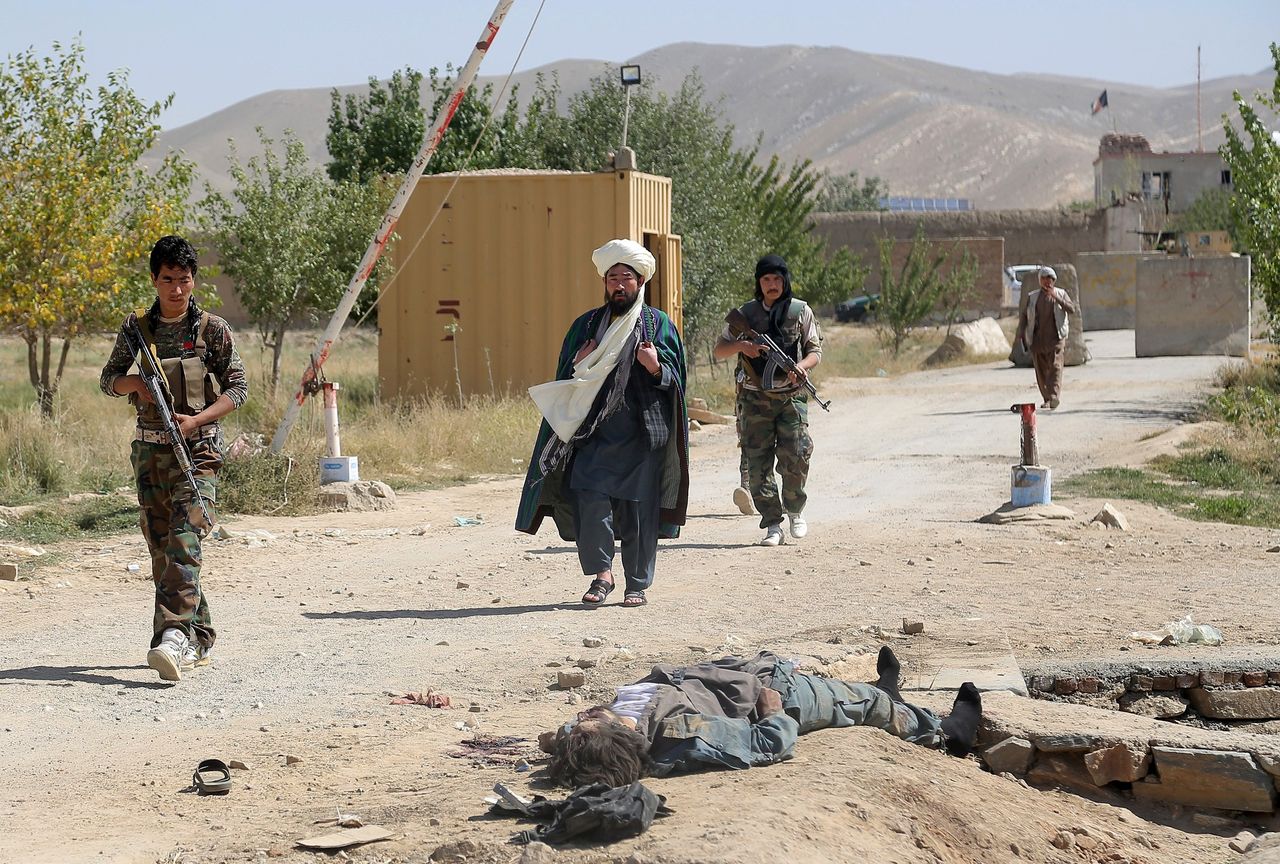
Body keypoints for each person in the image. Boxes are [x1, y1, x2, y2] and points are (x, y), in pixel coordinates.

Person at [99, 236, 248, 682]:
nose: (177, 290)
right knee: (164, 549)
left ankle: (172, 636)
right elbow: (108, 380)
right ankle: (198, 633)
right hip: (150, 453)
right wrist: (137, 386)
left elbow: (237, 389)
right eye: (168, 280)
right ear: (154, 279)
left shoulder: (212, 330)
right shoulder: (136, 331)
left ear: (194, 280)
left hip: (198, 452)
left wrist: (197, 419)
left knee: (186, 540)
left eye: (184, 280)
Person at [516, 239, 689, 609]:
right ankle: (602, 575)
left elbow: (677, 380)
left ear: (640, 282)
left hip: (643, 435)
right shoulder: (587, 325)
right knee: (590, 499)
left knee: (639, 511)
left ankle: (636, 584)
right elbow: (565, 377)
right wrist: (581, 362)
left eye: (626, 276)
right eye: (613, 277)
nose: (619, 284)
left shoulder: (657, 326)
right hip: (592, 433)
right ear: (605, 283)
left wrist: (655, 366)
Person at [541, 646, 983, 788]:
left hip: (739, 672)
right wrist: (774, 714)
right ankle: (946, 733)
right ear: (615, 733)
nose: (581, 715)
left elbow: (571, 741)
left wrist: (567, 740)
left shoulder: (603, 732)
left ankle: (888, 689)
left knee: (870, 694)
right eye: (587, 720)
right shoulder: (679, 733)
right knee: (869, 704)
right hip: (782, 695)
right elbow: (765, 745)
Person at [713, 254, 821, 547]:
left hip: (791, 396)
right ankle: (773, 524)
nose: (772, 285)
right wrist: (743, 346)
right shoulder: (745, 314)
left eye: (777, 279)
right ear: (758, 284)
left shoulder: (800, 311)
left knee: (797, 455)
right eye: (766, 280)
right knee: (758, 462)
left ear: (785, 281)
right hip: (754, 398)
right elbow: (719, 350)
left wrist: (802, 367)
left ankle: (795, 510)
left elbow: (814, 350)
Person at [1015, 266, 1077, 410]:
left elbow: (1071, 309)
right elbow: (1024, 317)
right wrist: (1021, 334)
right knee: (1041, 371)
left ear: (1054, 281)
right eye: (1043, 279)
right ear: (1040, 281)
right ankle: (1047, 398)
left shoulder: (1061, 293)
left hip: (1056, 338)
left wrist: (1056, 298)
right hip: (1037, 339)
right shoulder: (1033, 296)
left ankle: (1054, 396)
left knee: (1055, 366)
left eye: (1049, 279)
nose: (1047, 282)